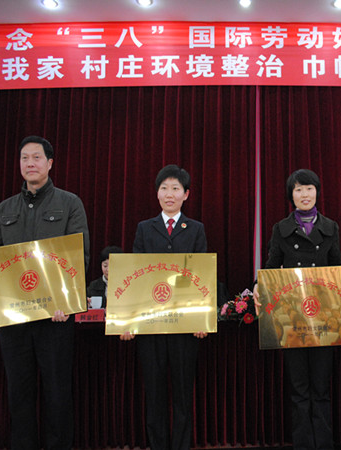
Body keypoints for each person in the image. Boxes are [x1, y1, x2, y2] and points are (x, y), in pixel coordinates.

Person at [0, 135, 90, 449]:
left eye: (36, 157)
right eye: (24, 158)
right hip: (14, 321)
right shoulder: (5, 209)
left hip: (55, 317)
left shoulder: (69, 204)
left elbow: (79, 258)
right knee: (19, 394)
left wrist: (65, 302)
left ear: (50, 163)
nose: (30, 163)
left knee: (57, 393)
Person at [120, 164, 208, 450]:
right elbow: (135, 276)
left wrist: (201, 320)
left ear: (186, 194)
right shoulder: (145, 228)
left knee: (183, 394)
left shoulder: (196, 229)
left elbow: (201, 276)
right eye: (164, 188)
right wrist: (129, 321)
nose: (169, 194)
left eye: (175, 189)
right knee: (154, 393)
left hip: (185, 325)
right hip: (151, 325)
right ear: (157, 193)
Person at [254, 169, 341, 450]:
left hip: (324, 319)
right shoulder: (281, 229)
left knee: (322, 389)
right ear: (291, 195)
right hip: (293, 320)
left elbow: (338, 269)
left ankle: (324, 444)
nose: (305, 194)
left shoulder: (331, 228)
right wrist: (258, 285)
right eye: (298, 189)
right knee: (299, 389)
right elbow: (271, 267)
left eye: (309, 188)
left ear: (317, 192)